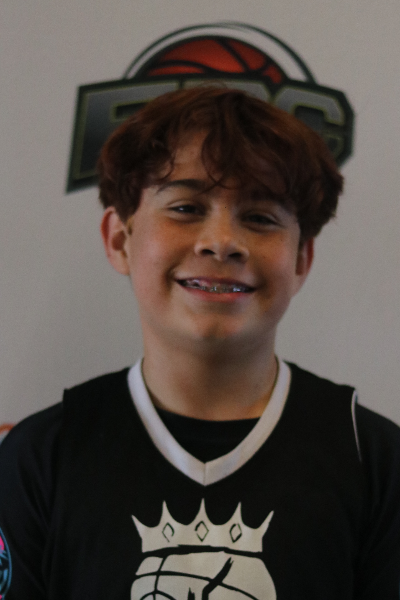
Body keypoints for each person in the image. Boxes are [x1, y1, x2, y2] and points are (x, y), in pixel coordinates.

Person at [0, 86, 400, 600]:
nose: (221, 242)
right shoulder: (42, 457)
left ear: (301, 259)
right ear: (120, 240)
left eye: (260, 217)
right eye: (186, 207)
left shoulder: (374, 459)